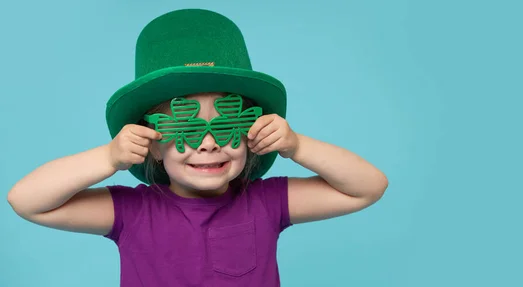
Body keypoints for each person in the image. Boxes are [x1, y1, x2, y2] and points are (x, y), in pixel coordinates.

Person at [7, 9, 388, 287]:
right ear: (152, 145)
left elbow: (368, 187)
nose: (208, 144)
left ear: (251, 134)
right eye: (184, 125)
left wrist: (297, 145)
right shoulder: (132, 211)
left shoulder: (266, 203)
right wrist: (107, 158)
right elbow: (26, 200)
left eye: (226, 123)